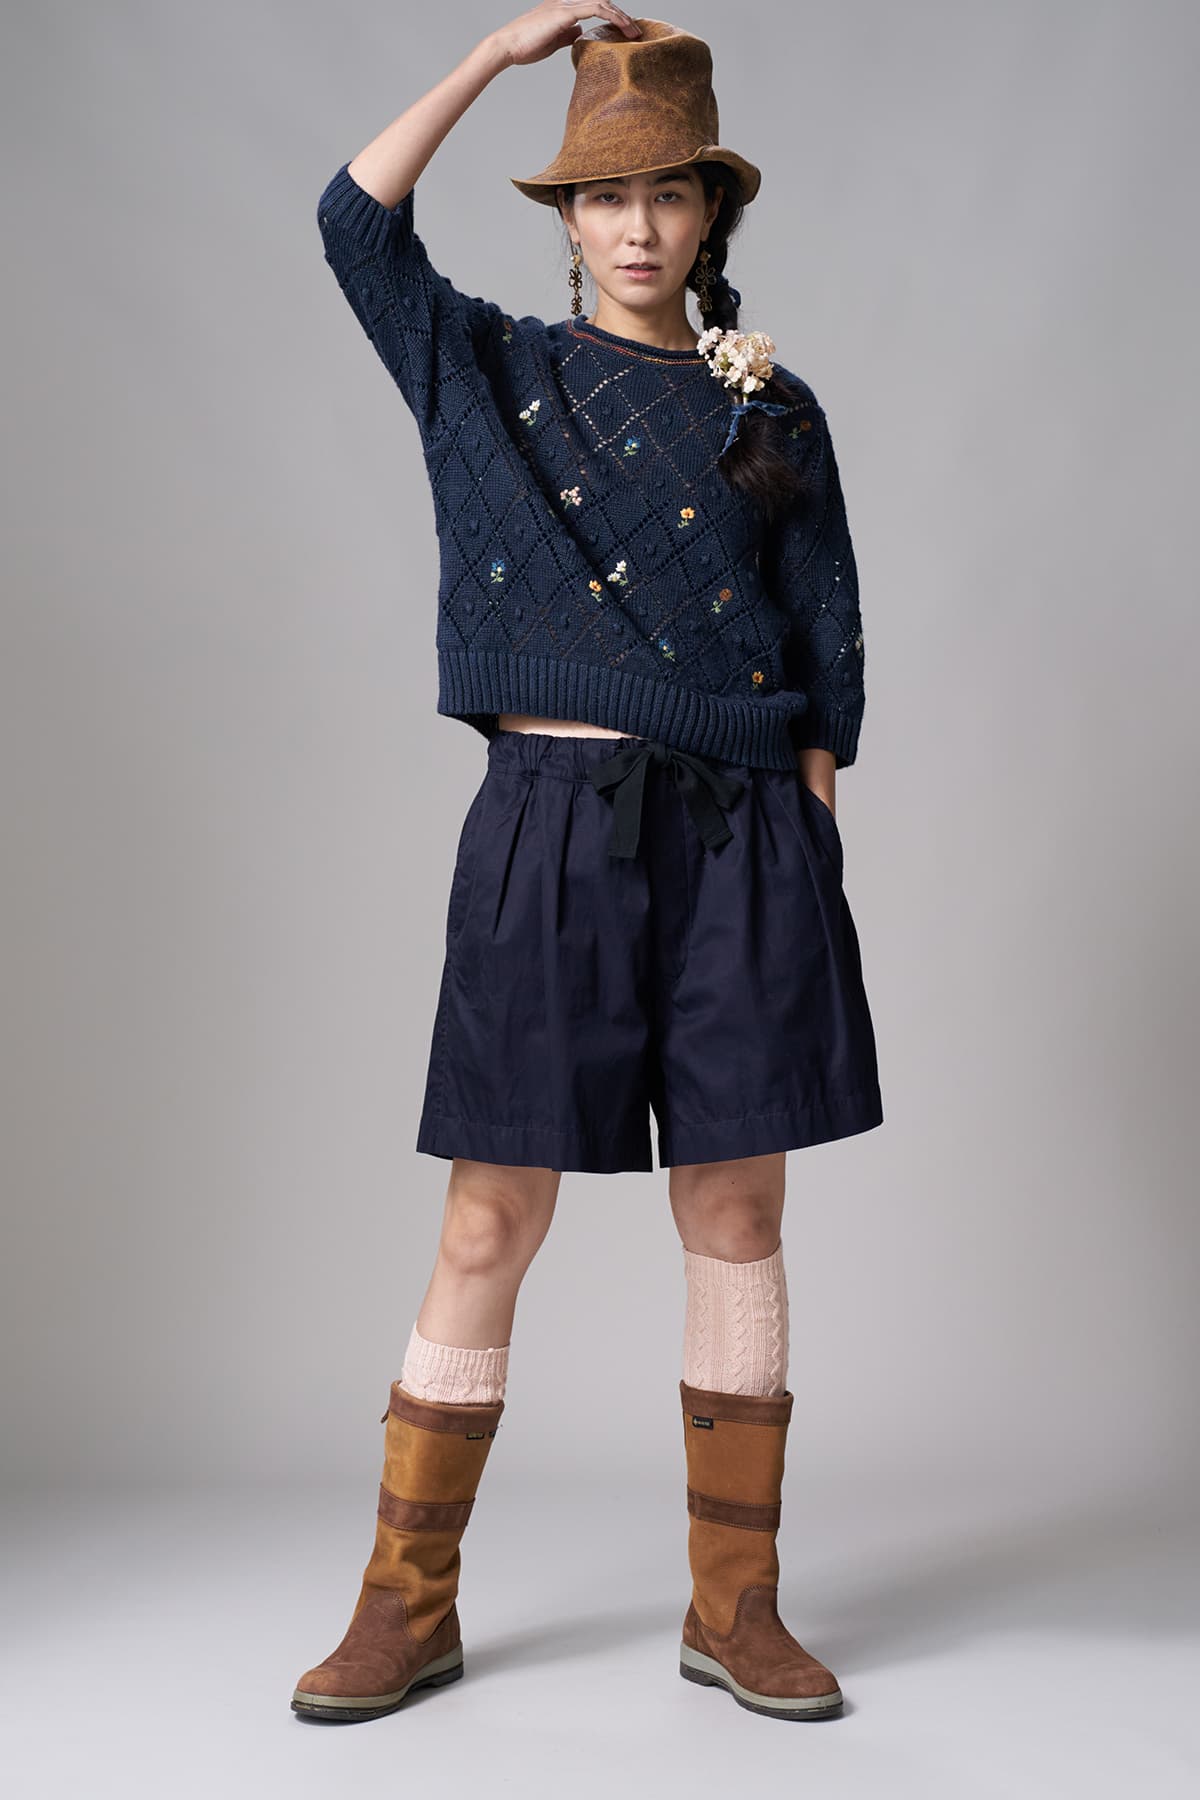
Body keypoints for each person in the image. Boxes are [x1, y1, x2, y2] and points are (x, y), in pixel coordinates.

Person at [292, 5, 882, 1727]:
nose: (638, 227)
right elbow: (351, 222)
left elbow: (826, 637)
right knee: (492, 1212)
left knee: (739, 1210)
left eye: (669, 193)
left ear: (711, 212)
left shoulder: (776, 407)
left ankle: (736, 1609)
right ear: (563, 215)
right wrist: (492, 58)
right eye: (607, 196)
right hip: (550, 828)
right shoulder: (485, 369)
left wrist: (812, 824)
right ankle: (404, 1606)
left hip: (745, 833)